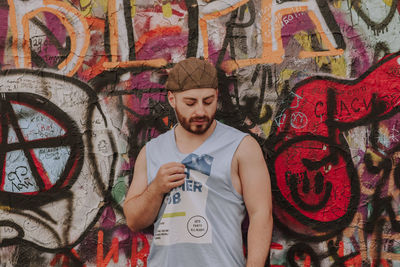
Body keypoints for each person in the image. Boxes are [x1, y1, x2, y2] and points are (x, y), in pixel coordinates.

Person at [123, 57, 273, 267]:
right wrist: (156, 189)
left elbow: (261, 215)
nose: (201, 111)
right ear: (172, 99)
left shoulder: (241, 147)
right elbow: (133, 220)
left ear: (217, 96)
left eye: (208, 101)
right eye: (190, 103)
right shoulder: (152, 151)